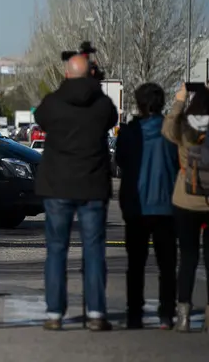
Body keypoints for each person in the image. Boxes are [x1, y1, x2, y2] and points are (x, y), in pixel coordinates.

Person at [34, 55, 118, 331]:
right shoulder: (103, 104)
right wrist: (93, 83)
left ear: (67, 74)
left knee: (56, 250)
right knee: (94, 251)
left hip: (57, 185)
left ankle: (54, 313)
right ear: (90, 74)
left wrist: (66, 85)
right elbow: (111, 119)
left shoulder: (53, 103)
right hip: (92, 185)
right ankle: (95, 312)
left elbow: (40, 118)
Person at [115, 83, 179, 330]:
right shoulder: (170, 130)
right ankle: (166, 312)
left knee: (136, 264)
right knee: (167, 264)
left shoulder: (130, 132)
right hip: (166, 204)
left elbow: (120, 160)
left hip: (137, 205)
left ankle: (134, 314)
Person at [161, 83, 209, 333]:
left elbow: (166, 129)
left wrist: (179, 100)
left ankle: (184, 315)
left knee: (188, 257)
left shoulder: (185, 127)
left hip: (186, 199)